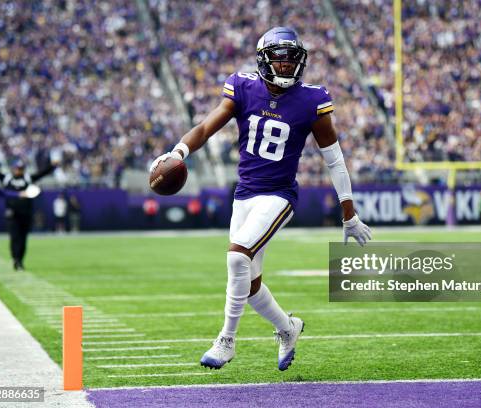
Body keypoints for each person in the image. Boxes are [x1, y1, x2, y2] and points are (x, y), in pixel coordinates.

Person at [150, 27, 372, 371]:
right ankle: (287, 328)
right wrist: (177, 152)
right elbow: (207, 127)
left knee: (237, 258)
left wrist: (349, 213)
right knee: (249, 283)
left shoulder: (312, 99)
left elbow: (335, 159)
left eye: (291, 60)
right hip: (245, 195)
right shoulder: (242, 86)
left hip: (279, 195)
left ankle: (226, 339)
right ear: (263, 60)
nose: (285, 67)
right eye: (279, 60)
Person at [0, 158, 57, 270]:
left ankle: (20, 260)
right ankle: (15, 259)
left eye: (21, 168)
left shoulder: (28, 178)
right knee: (14, 237)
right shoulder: (7, 178)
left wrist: (52, 166)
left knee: (23, 238)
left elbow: (42, 174)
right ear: (13, 168)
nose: (19, 171)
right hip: (12, 213)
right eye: (17, 168)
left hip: (26, 213)